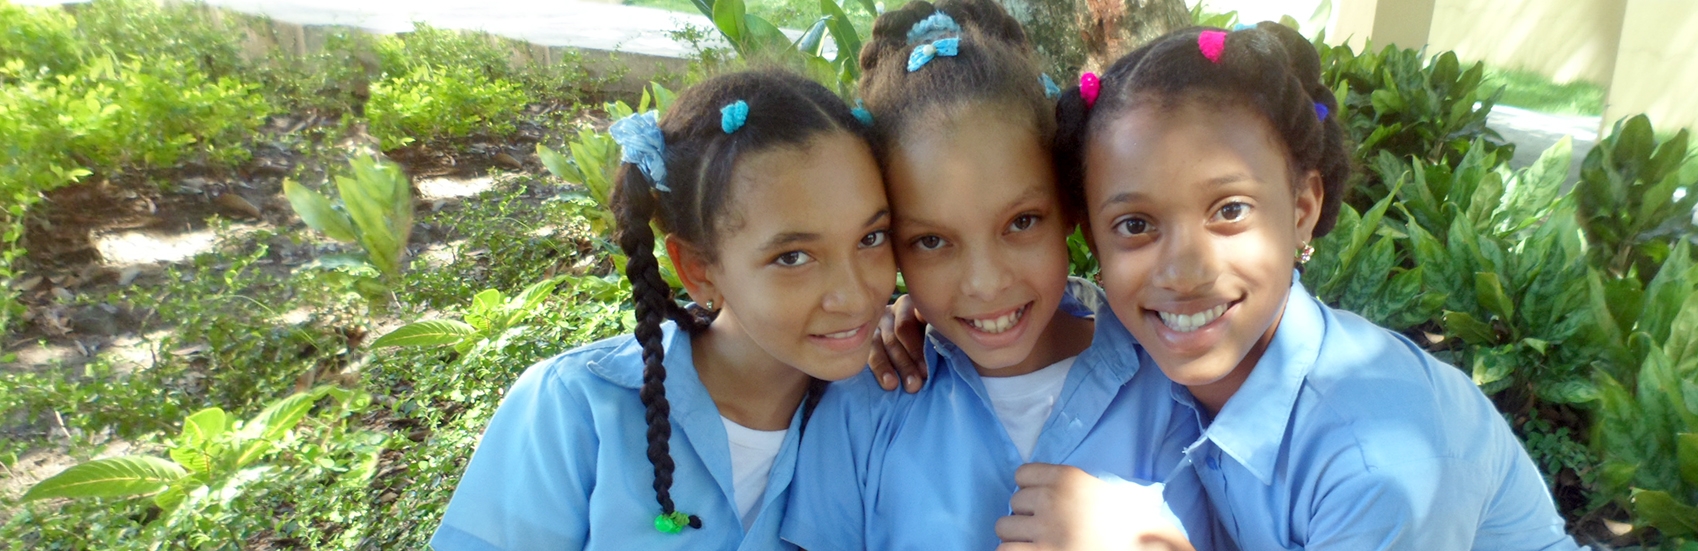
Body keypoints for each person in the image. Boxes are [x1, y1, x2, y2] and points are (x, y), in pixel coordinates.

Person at [1040, 22, 1584, 550]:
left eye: (1230, 210)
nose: (1183, 273)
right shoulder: (1134, 361)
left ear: (1302, 210)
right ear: (1094, 239)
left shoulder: (1379, 462)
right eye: (1135, 225)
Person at [781, 3, 1206, 550]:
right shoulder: (866, 404)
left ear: (1069, 206)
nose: (983, 284)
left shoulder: (1168, 386)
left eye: (1021, 222)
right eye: (932, 241)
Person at [430, 70, 897, 551]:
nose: (856, 296)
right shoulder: (577, 411)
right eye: (792, 257)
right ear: (698, 270)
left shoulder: (891, 406)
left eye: (871, 238)